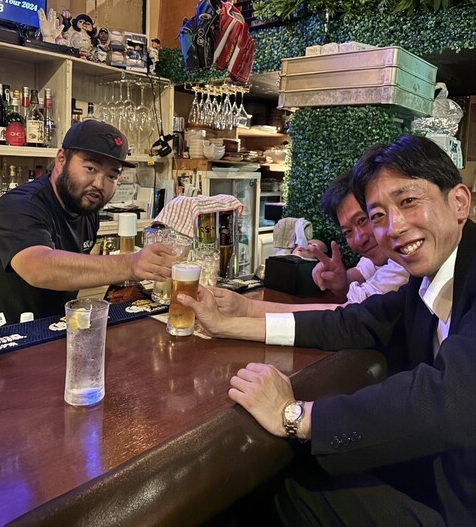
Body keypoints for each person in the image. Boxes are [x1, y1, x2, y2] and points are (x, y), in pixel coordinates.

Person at [180, 134, 476, 526]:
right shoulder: (428, 279)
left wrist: (294, 415)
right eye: (378, 216)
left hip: (459, 503)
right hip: (438, 475)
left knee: (278, 482)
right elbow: (352, 321)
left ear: (459, 202)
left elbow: (450, 400)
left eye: (408, 201)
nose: (394, 227)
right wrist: (232, 324)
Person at [0, 120, 175, 326]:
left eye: (111, 176)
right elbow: (38, 267)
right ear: (61, 159)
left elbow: (72, 274)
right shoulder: (20, 205)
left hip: (58, 328)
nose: (99, 184)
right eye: (90, 168)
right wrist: (130, 264)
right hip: (9, 335)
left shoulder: (87, 210)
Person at [212, 170, 408, 318]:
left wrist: (248, 309)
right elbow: (361, 273)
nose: (359, 238)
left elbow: (348, 313)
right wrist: (341, 281)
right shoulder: (384, 254)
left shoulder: (403, 261)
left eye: (363, 220)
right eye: (348, 231)